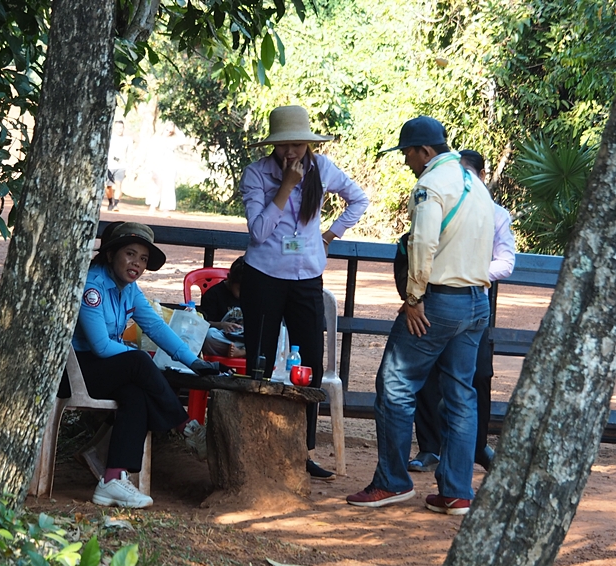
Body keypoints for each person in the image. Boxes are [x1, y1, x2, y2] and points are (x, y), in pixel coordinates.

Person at [347, 116, 493, 512]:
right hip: (477, 301)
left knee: (395, 385)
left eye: (408, 153)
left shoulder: (430, 184)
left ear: (425, 151)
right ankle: (456, 491)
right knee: (461, 395)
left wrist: (413, 298)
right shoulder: (473, 181)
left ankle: (392, 481)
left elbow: (423, 242)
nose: (406, 160)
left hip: (439, 300)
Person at [240, 105, 370, 480]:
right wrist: (285, 187)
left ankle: (303, 450)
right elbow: (258, 233)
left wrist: (330, 235)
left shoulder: (323, 168)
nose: (290, 152)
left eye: (297, 144)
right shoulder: (256, 174)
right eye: (283, 145)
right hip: (263, 275)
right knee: (260, 362)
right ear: (273, 146)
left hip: (307, 277)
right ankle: (256, 448)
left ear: (308, 143)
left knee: (309, 363)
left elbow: (359, 199)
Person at [68, 221, 228, 508]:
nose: (137, 264)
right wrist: (138, 357)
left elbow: (155, 327)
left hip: (105, 368)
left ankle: (112, 479)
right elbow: (101, 346)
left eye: (143, 259)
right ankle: (187, 428)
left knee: (136, 394)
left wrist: (193, 361)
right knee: (139, 361)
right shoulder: (92, 286)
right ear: (110, 254)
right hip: (77, 370)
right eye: (130, 254)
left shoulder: (129, 289)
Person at [406, 149, 515, 473]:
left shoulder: (495, 213)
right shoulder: (442, 199)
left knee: (478, 375)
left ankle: (477, 446)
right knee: (428, 374)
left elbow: (506, 262)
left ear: (481, 176)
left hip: (472, 299)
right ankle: (430, 447)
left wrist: (471, 270)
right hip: (437, 296)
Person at [197, 257, 246, 358]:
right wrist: (221, 325)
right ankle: (245, 352)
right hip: (223, 338)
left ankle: (242, 352)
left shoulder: (252, 295)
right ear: (229, 279)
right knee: (209, 336)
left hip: (245, 339)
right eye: (239, 289)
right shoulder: (214, 294)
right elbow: (204, 323)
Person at [105, 120, 131, 211]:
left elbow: (129, 152)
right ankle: (110, 202)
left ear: (123, 128)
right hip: (110, 165)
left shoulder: (127, 140)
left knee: (118, 184)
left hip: (121, 166)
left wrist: (129, 165)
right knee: (108, 186)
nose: (119, 130)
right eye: (117, 128)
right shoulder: (110, 138)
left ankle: (116, 204)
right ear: (114, 128)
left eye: (121, 128)